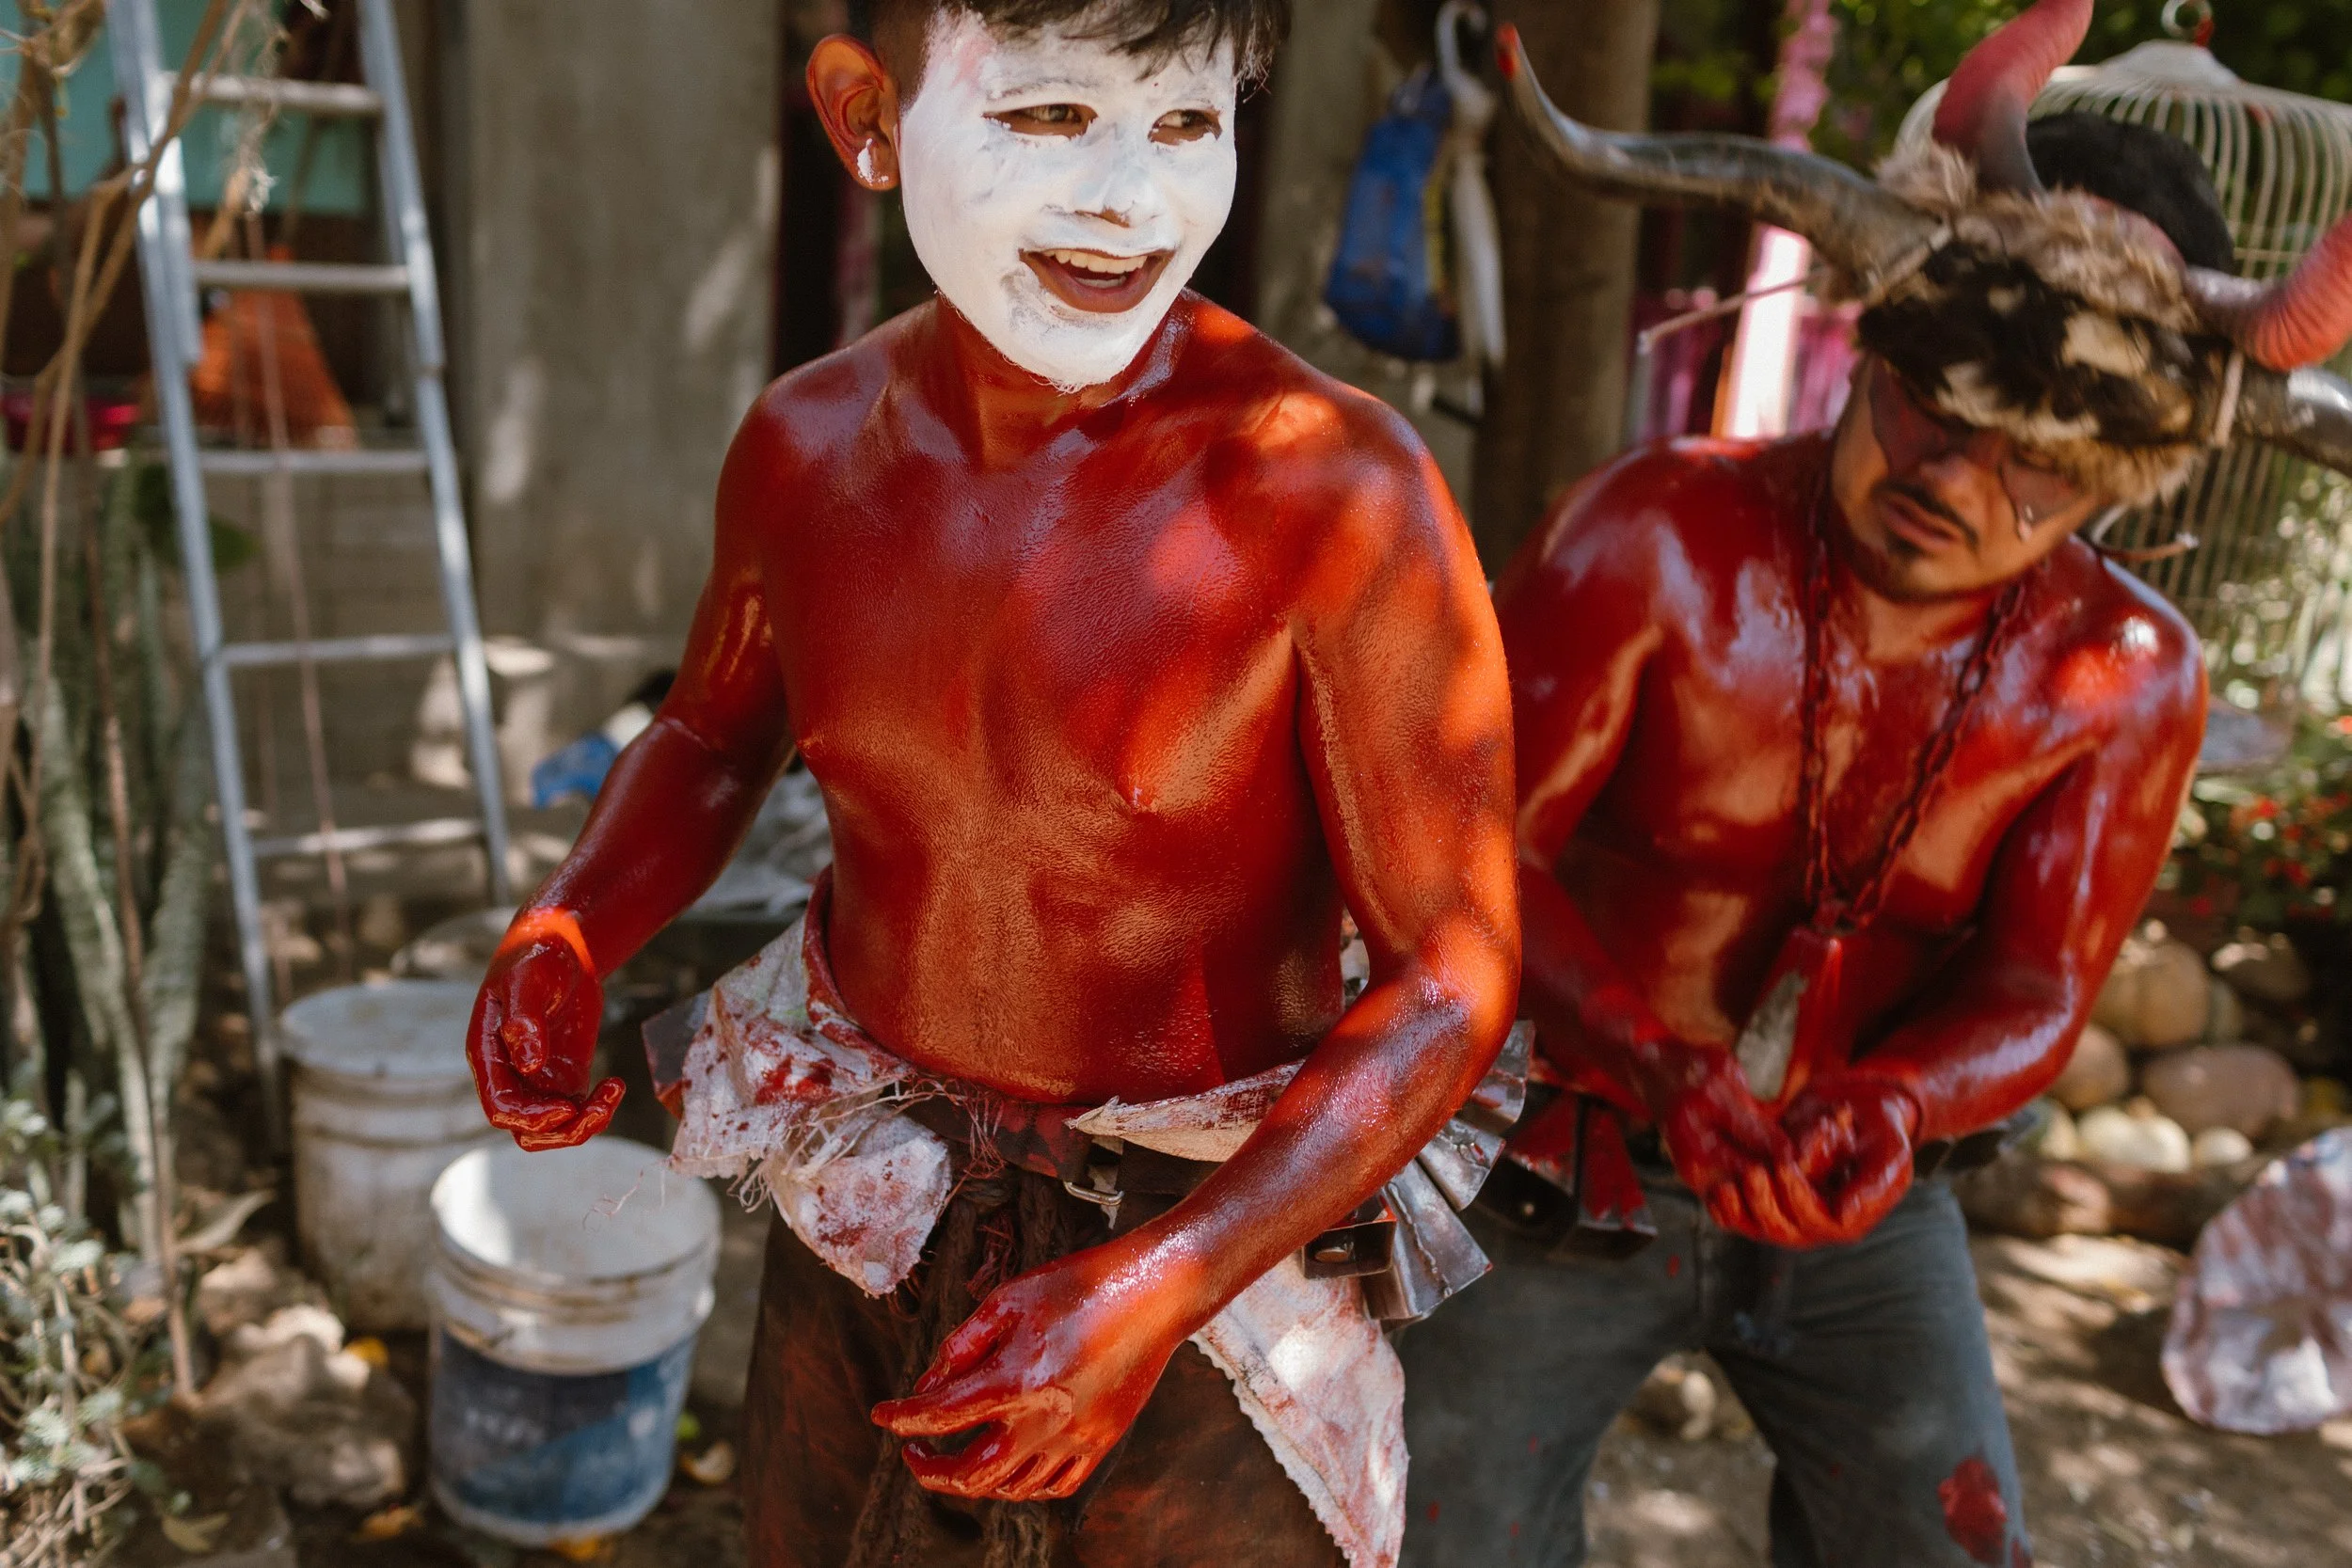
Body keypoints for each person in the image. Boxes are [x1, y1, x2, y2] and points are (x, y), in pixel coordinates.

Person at [462, 3, 1520, 1566]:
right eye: (1047, 120)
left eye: (1185, 127)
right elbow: (707, 735)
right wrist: (567, 923)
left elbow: (1455, 972)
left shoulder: (1337, 494)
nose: (1130, 202)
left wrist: (1165, 1279)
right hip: (872, 1208)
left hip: (1209, 1259)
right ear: (866, 118)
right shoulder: (807, 448)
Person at [1401, 3, 2352, 1563]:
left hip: (1869, 1190)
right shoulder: (1655, 534)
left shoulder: (2124, 669)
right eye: (1931, 400)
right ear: (1873, 340)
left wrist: (1898, 1101)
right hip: (1555, 1149)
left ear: (2122, 469)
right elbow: (1465, 856)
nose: (1951, 482)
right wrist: (1654, 1064)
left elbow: (2043, 978)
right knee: (1430, 1535)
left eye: (2035, 462)